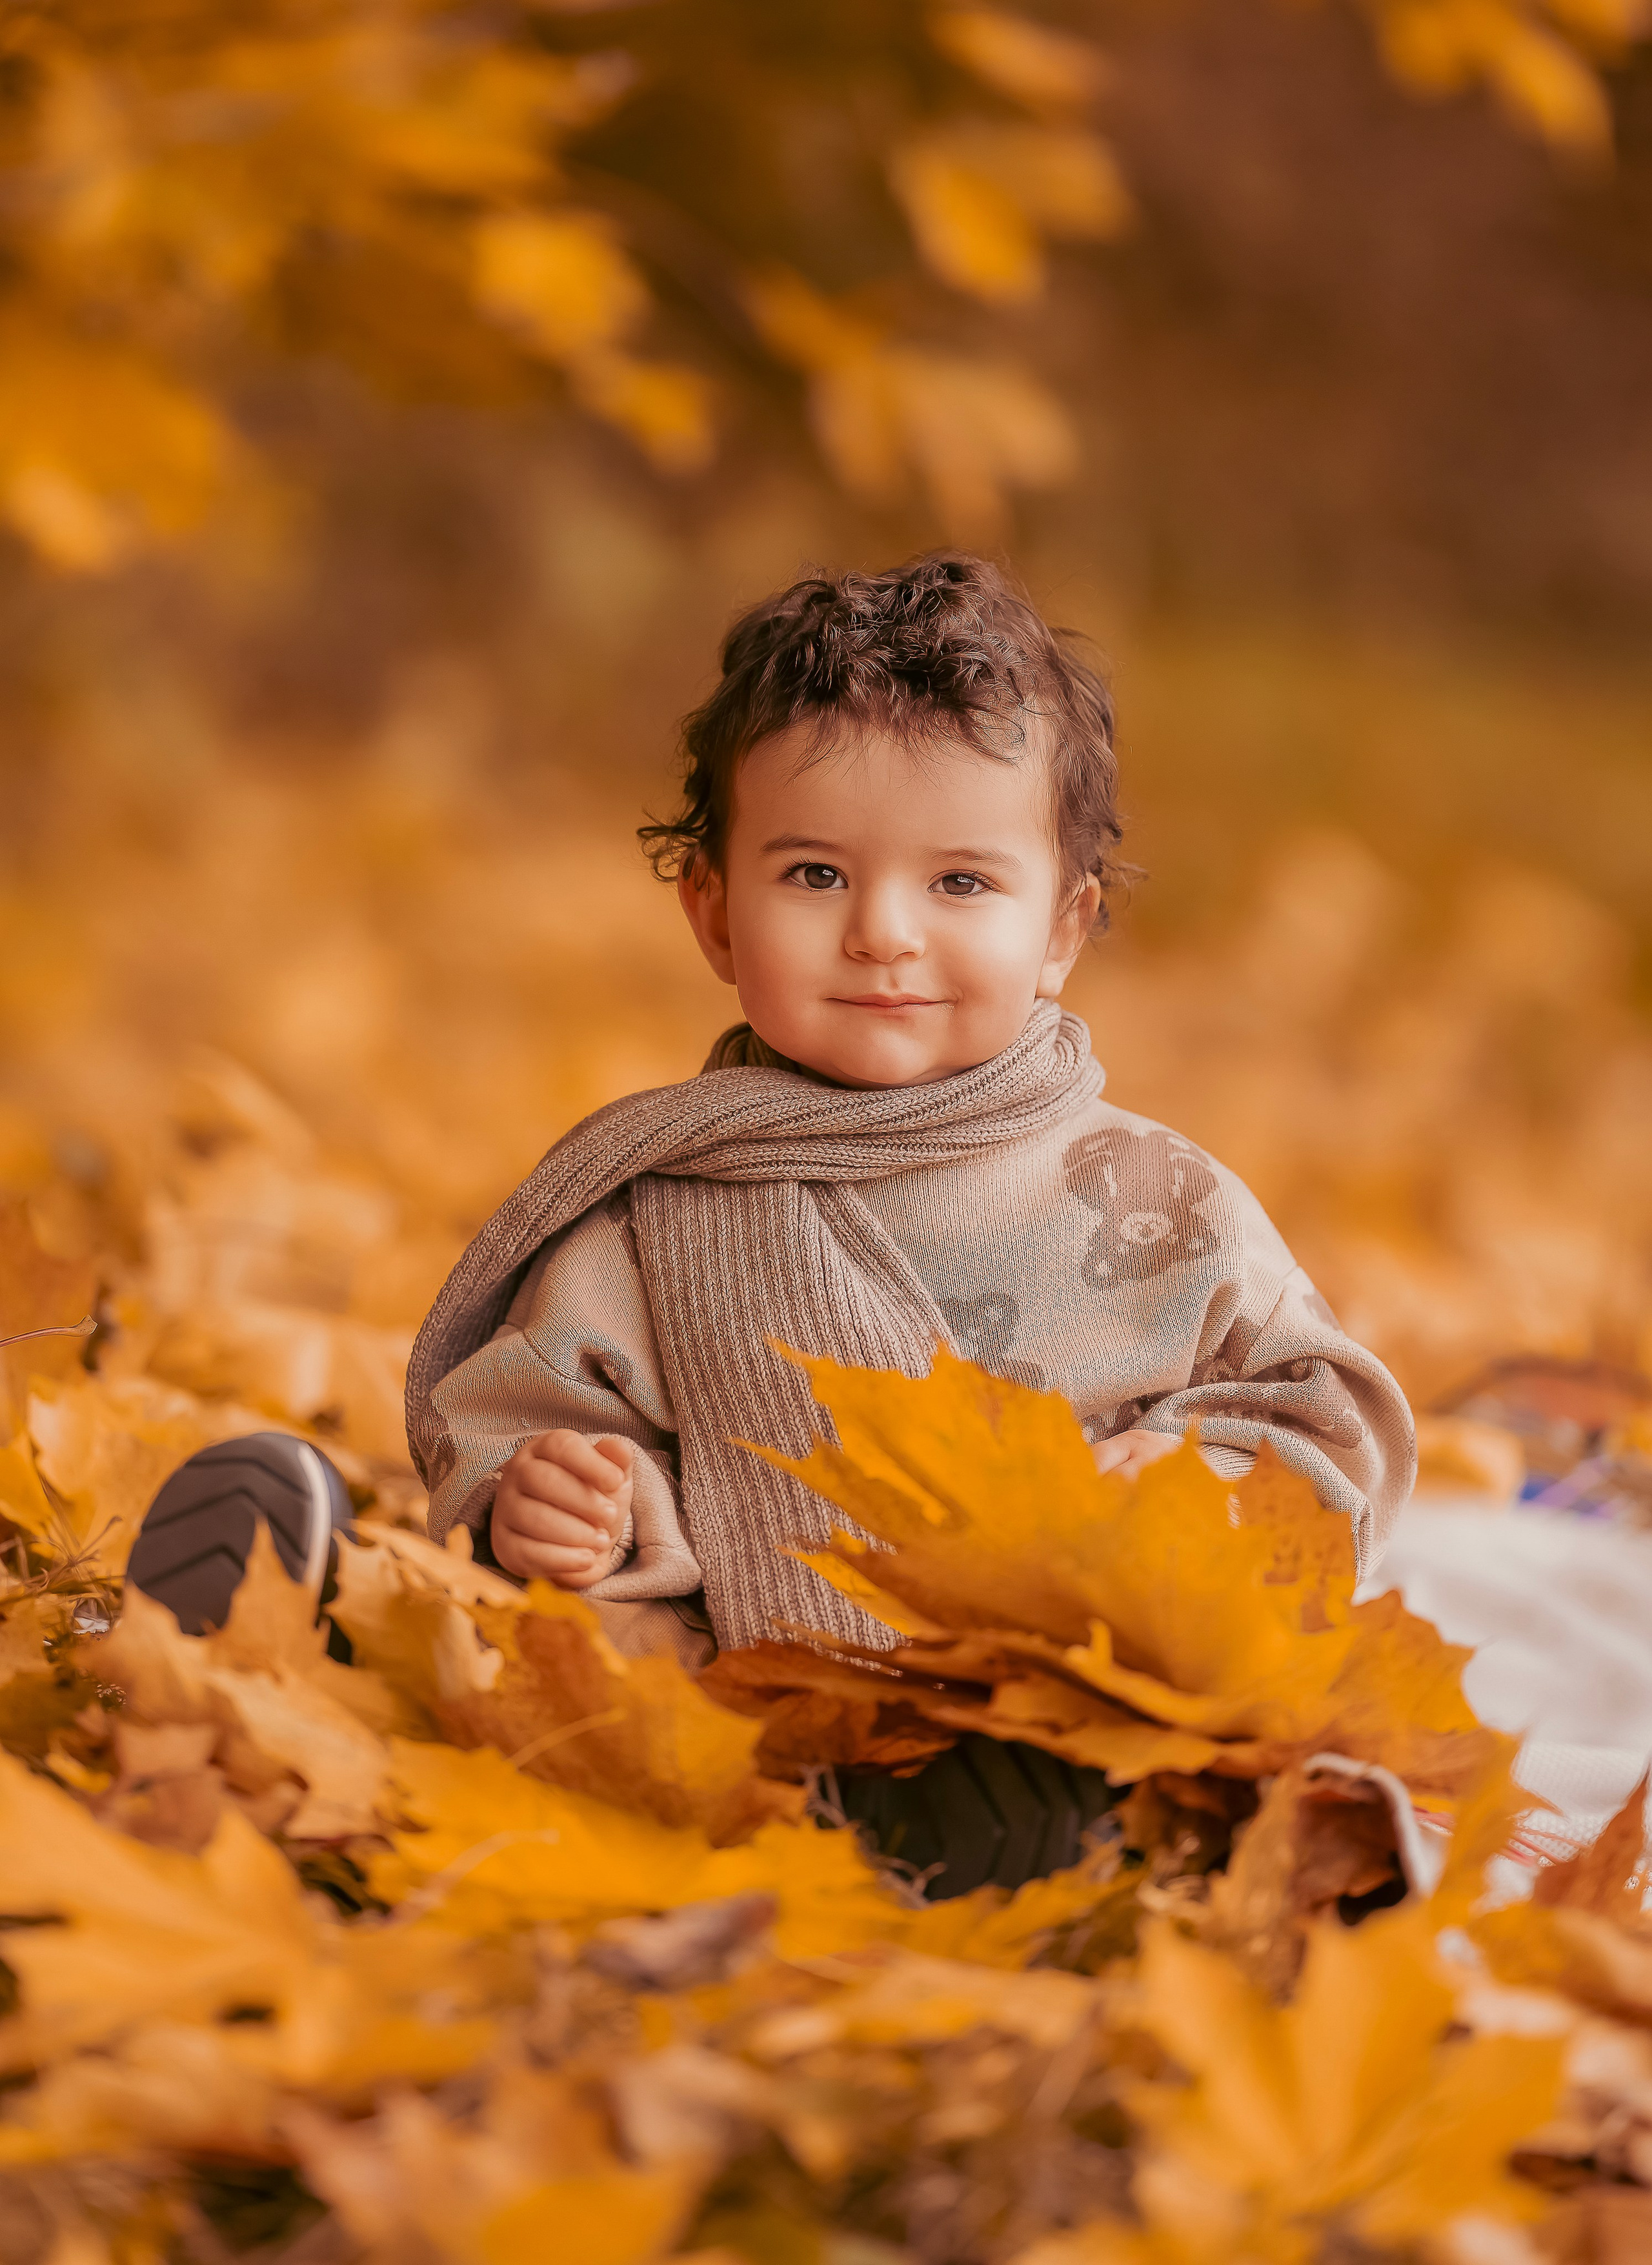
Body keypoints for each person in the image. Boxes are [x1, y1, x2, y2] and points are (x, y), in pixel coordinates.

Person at [131, 555, 1414, 1879]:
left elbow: (1324, 1423)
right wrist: (556, 1497)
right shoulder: (662, 1199)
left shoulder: (1156, 1200)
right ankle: (303, 1628)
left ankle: (991, 1825)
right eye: (813, 874)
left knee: (1170, 1754)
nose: (882, 933)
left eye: (960, 884)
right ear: (712, 911)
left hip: (1036, 1701)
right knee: (542, 1665)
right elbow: (536, 1408)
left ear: (1062, 929)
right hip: (707, 1696)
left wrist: (1171, 1495)